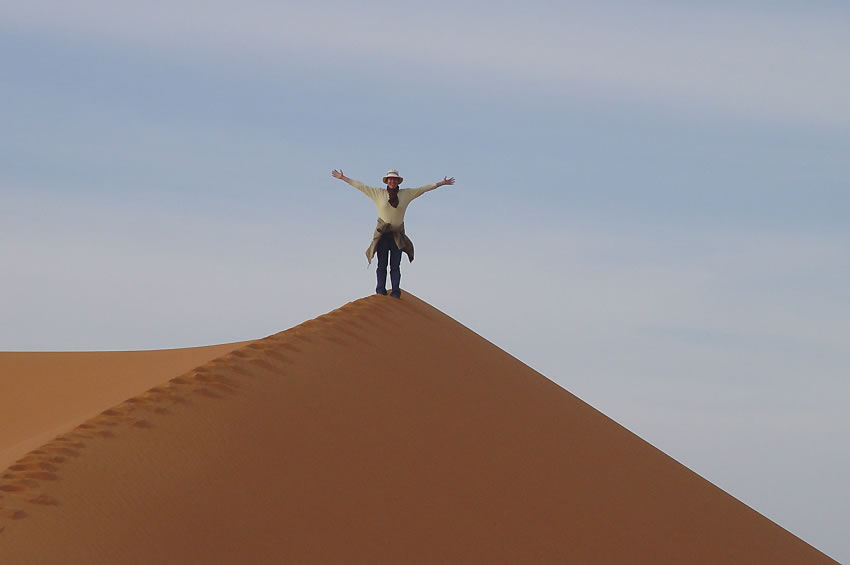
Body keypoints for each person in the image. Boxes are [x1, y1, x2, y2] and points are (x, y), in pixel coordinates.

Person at [331, 168, 455, 298]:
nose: (392, 182)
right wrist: (343, 178)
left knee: (395, 266)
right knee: (381, 265)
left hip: (397, 235)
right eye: (390, 179)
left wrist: (442, 183)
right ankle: (380, 291)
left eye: (395, 179)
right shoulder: (378, 193)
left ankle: (396, 291)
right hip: (382, 235)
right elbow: (361, 186)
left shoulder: (406, 194)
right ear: (386, 181)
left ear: (398, 181)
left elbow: (423, 189)